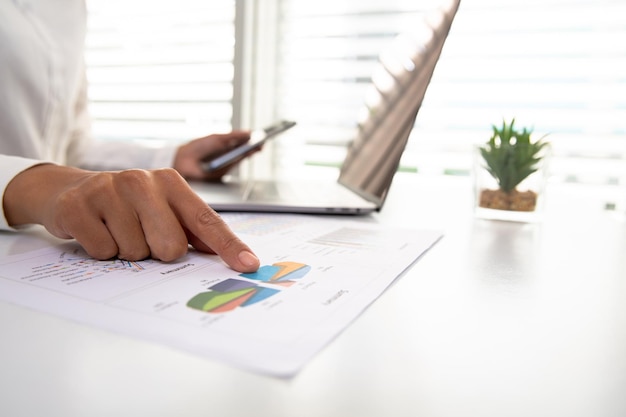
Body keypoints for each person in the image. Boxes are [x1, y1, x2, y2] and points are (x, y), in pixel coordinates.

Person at [0, 1, 260, 273]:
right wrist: (32, 185)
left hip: (35, 243)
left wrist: (172, 158)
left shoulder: (70, 7)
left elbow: (72, 144)